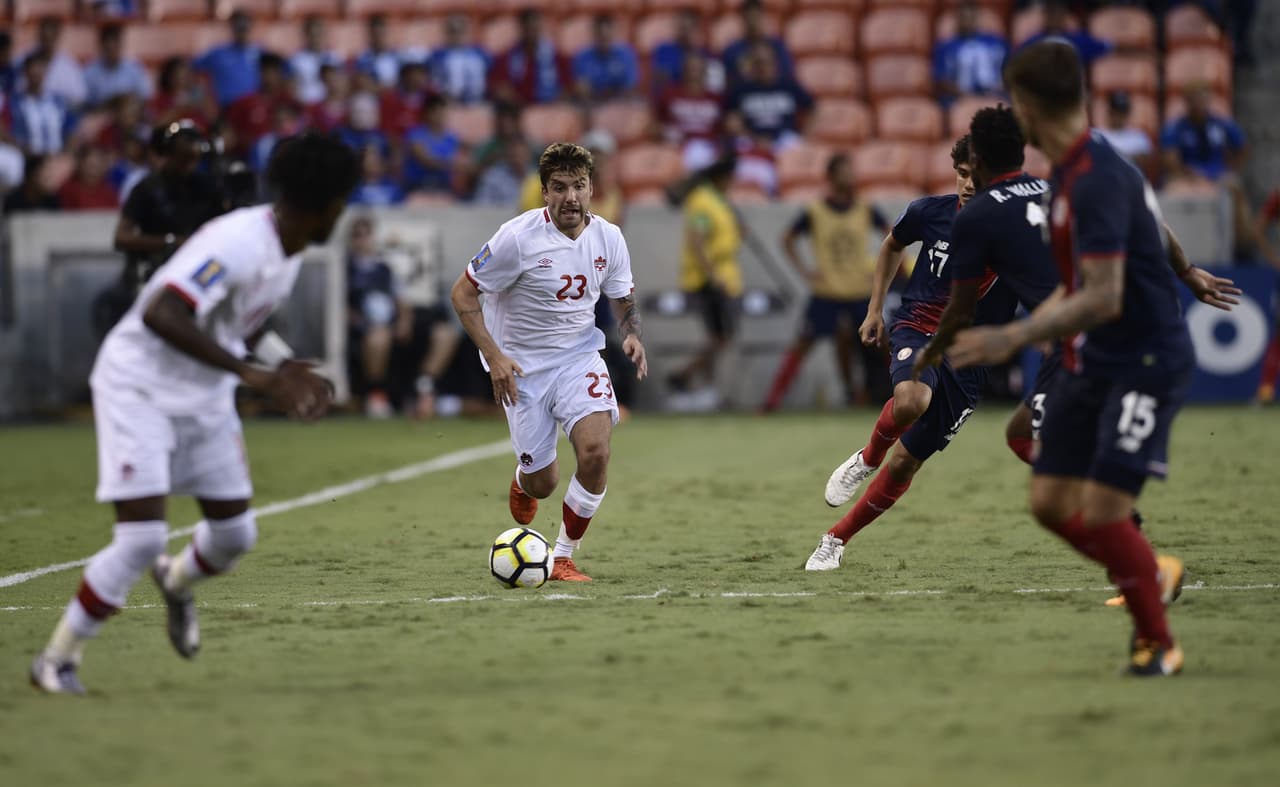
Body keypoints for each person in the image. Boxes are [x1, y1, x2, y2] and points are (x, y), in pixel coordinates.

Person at [29, 133, 360, 694]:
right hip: (140, 384)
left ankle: (175, 580)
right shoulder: (239, 242)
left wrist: (283, 365)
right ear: (326, 203)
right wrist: (256, 377)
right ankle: (56, 660)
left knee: (234, 536)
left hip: (203, 392)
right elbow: (162, 311)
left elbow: (243, 319)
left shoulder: (291, 246)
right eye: (343, 201)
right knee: (139, 537)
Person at [949, 40, 1193, 676]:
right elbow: (1076, 282)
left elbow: (1104, 294)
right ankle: (1149, 570)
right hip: (1092, 357)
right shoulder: (1071, 175)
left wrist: (1012, 340)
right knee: (1050, 503)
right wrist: (1186, 270)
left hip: (1142, 358)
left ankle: (1156, 641)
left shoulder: (1095, 179)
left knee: (1107, 508)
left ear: (1027, 105)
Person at [802, 134, 1018, 571]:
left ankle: (835, 539)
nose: (968, 184)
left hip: (970, 355)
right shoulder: (928, 213)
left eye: (978, 176)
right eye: (961, 174)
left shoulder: (1016, 232)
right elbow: (891, 246)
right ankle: (865, 458)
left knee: (905, 463)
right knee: (912, 399)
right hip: (918, 327)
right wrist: (874, 309)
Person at [450, 142, 647, 581]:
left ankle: (562, 555)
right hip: (523, 370)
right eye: (559, 187)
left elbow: (622, 295)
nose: (570, 197)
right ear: (543, 193)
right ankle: (524, 480)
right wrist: (495, 356)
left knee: (596, 453)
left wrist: (631, 333)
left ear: (592, 188)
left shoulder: (609, 238)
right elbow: (462, 294)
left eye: (579, 186)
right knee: (544, 483)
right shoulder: (516, 239)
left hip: (580, 358)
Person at [761, 153, 890, 413]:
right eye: (844, 171)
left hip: (858, 289)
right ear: (831, 177)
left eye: (851, 170)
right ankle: (771, 402)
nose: (851, 176)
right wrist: (805, 271)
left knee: (882, 344)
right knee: (803, 344)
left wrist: (877, 268)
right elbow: (787, 238)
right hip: (827, 290)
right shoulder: (815, 210)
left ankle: (901, 393)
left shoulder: (865, 207)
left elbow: (893, 236)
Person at [112, 122, 226, 300]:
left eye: (194, 159)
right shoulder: (148, 188)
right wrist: (170, 242)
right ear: (169, 155)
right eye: (183, 159)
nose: (189, 165)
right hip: (160, 269)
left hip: (201, 270)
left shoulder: (208, 186)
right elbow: (121, 238)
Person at [667, 155, 742, 395]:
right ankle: (684, 375)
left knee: (717, 336)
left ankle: (703, 385)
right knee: (719, 336)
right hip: (706, 280)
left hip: (722, 277)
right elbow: (697, 242)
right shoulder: (702, 201)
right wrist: (712, 276)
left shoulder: (718, 201)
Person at [346, 215, 408, 416]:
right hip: (360, 323)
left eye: (366, 234)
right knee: (378, 338)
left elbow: (400, 298)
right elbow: (339, 302)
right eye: (358, 235)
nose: (362, 240)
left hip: (386, 322)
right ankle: (376, 393)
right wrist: (356, 319)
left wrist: (404, 321)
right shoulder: (346, 268)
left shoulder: (385, 268)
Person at [724, 43, 812, 153]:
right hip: (752, 139)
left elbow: (812, 108)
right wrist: (754, 138)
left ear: (775, 63)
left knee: (796, 145)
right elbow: (732, 121)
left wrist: (806, 133)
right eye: (759, 63)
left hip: (784, 139)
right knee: (740, 144)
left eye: (766, 62)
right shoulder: (741, 90)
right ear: (753, 65)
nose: (763, 67)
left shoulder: (788, 86)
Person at [655, 50, 724, 173]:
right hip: (677, 146)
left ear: (705, 70)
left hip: (708, 147)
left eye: (697, 67)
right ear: (683, 70)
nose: (693, 72)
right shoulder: (670, 94)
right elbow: (655, 124)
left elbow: (724, 128)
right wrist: (664, 131)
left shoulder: (716, 98)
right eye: (690, 67)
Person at [488, 8, 571, 105]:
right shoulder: (507, 57)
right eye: (528, 29)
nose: (531, 33)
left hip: (551, 109)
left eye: (534, 28)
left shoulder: (556, 56)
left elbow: (568, 85)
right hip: (518, 110)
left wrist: (558, 100)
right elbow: (499, 86)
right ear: (521, 29)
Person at [933, 0, 1008, 104]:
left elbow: (1010, 70)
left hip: (995, 95)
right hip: (959, 99)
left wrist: (998, 89)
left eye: (971, 17)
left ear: (977, 17)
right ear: (957, 18)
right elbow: (941, 79)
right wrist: (963, 95)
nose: (968, 21)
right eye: (964, 17)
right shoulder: (945, 47)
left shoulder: (997, 43)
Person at [10, 52, 75, 155]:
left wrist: (66, 154)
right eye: (33, 68)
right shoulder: (15, 103)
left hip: (57, 158)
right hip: (28, 159)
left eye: (40, 68)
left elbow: (71, 130)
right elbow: (10, 134)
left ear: (45, 71)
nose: (36, 72)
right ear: (25, 72)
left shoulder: (58, 101)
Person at [194, 10, 262, 108]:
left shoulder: (261, 53)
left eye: (245, 26)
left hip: (254, 108)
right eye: (238, 26)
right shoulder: (217, 54)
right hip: (226, 108)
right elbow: (192, 68)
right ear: (231, 27)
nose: (242, 31)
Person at [721, 0, 794, 87]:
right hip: (744, 95)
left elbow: (787, 74)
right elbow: (727, 81)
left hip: (774, 92)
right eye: (748, 17)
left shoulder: (777, 46)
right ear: (742, 19)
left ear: (763, 17)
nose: (752, 22)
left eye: (756, 17)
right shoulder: (731, 50)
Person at [1019, 0, 1110, 68]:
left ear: (1064, 16)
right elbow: (1018, 60)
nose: (1054, 17)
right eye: (1050, 13)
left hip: (1070, 86)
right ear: (1044, 15)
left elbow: (1106, 46)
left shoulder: (1075, 39)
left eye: (1058, 13)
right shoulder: (1034, 41)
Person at [22, 16, 88, 109]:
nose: (47, 41)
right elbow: (17, 90)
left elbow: (80, 98)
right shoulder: (24, 59)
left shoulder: (69, 65)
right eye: (44, 37)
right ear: (39, 36)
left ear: (57, 36)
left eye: (51, 37)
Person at [572, 14, 640, 103]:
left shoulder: (627, 55)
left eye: (607, 36)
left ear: (614, 33)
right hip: (593, 104)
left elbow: (630, 87)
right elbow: (582, 88)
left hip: (621, 103)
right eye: (600, 36)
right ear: (594, 34)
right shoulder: (582, 57)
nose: (604, 41)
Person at [404, 94, 463, 194]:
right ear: (427, 113)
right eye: (436, 112)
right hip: (418, 185)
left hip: (444, 185)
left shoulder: (452, 137)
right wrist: (452, 165)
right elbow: (425, 160)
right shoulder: (415, 134)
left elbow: (458, 160)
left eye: (442, 112)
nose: (440, 116)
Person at [83, 23, 152, 108]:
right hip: (100, 115)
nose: (112, 52)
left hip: (130, 116)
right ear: (101, 46)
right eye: (108, 49)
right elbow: (85, 104)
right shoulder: (90, 71)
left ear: (122, 45)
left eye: (116, 47)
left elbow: (145, 98)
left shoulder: (136, 68)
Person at [428, 14, 491, 105]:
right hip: (448, 104)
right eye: (453, 31)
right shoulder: (437, 55)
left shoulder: (481, 54)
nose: (457, 35)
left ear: (467, 32)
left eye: (461, 30)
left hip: (477, 103)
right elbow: (433, 82)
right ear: (446, 32)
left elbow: (491, 78)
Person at [290, 16, 342, 106]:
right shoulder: (297, 60)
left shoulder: (335, 58)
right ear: (306, 35)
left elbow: (341, 85)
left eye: (319, 34)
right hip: (306, 104)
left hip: (330, 106)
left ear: (325, 34)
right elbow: (292, 88)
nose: (316, 38)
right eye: (313, 34)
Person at [1095, 90, 1152, 171]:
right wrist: (1128, 156)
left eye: (1122, 112)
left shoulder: (1139, 137)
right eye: (1116, 112)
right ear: (1110, 112)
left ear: (1127, 113)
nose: (1119, 116)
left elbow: (1142, 161)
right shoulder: (1097, 135)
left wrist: (1109, 157)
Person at [57, 145, 118, 210]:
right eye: (90, 166)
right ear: (81, 165)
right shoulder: (67, 190)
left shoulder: (110, 192)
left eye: (97, 166)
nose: (93, 171)